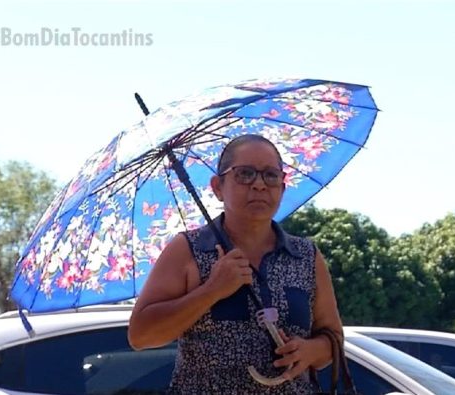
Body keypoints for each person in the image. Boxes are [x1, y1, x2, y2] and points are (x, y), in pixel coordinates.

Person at [128, 134, 343, 394]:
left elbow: (333, 339)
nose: (259, 185)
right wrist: (212, 290)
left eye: (271, 176)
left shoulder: (306, 256)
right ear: (218, 186)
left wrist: (310, 351)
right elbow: (141, 335)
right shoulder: (188, 250)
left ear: (283, 188)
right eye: (245, 174)